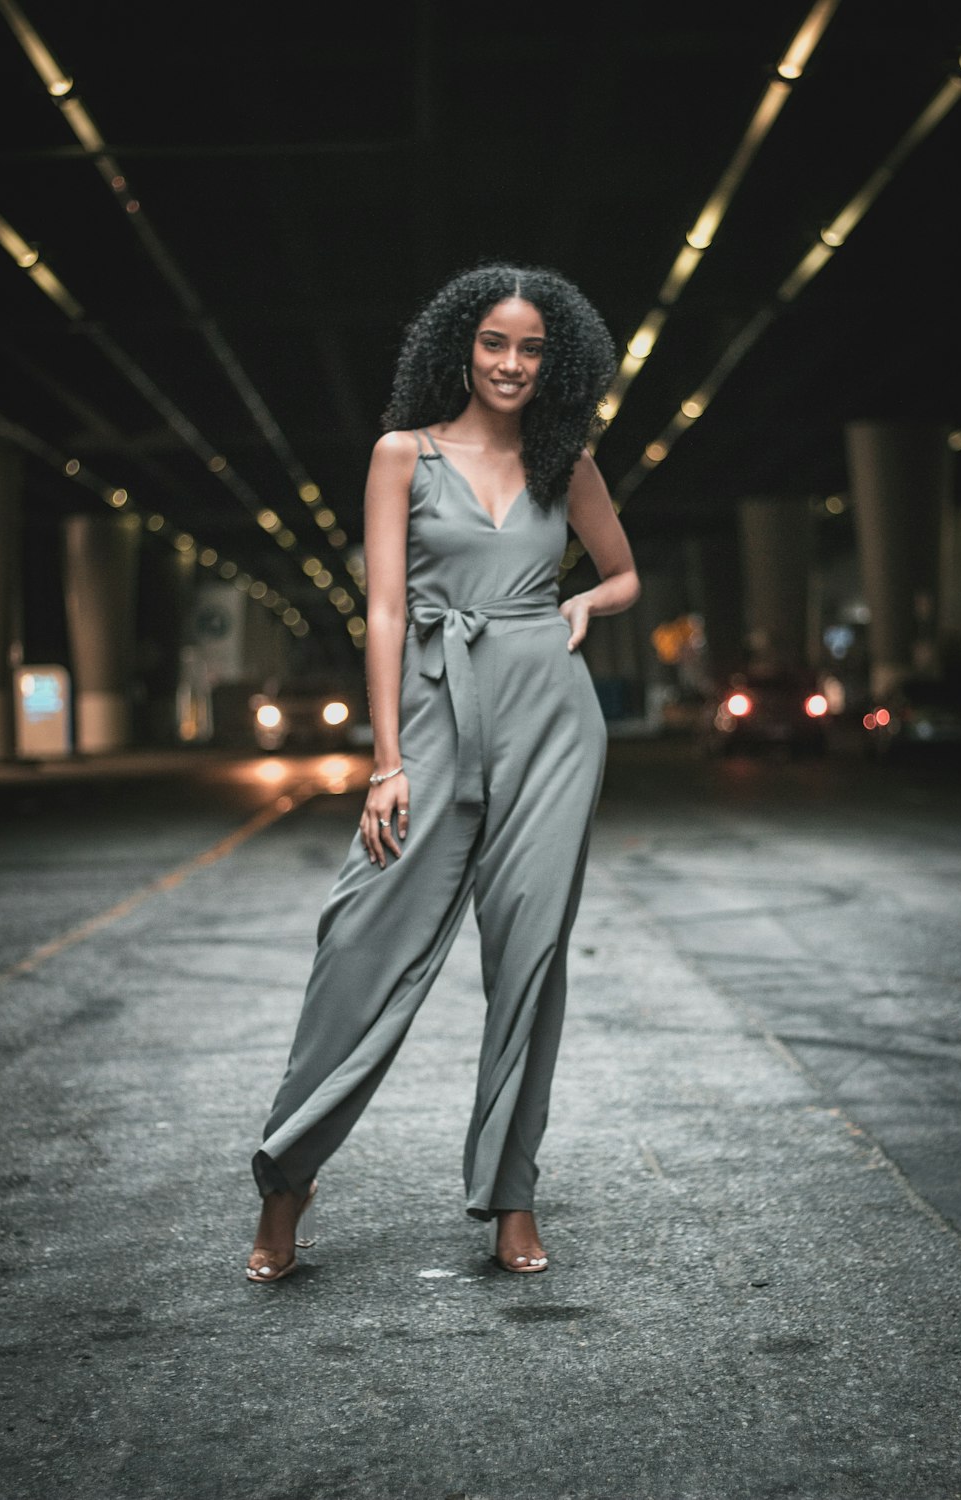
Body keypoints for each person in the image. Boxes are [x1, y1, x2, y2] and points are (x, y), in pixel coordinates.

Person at [246, 261, 640, 1282]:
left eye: (533, 349)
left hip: (551, 722)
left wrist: (586, 606)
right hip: (432, 713)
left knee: (530, 954)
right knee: (362, 945)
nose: (512, 364)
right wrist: (386, 761)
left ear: (556, 363)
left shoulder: (566, 461)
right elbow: (381, 610)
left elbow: (623, 570)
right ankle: (286, 1180)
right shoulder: (401, 456)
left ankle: (512, 1196)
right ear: (461, 346)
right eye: (496, 343)